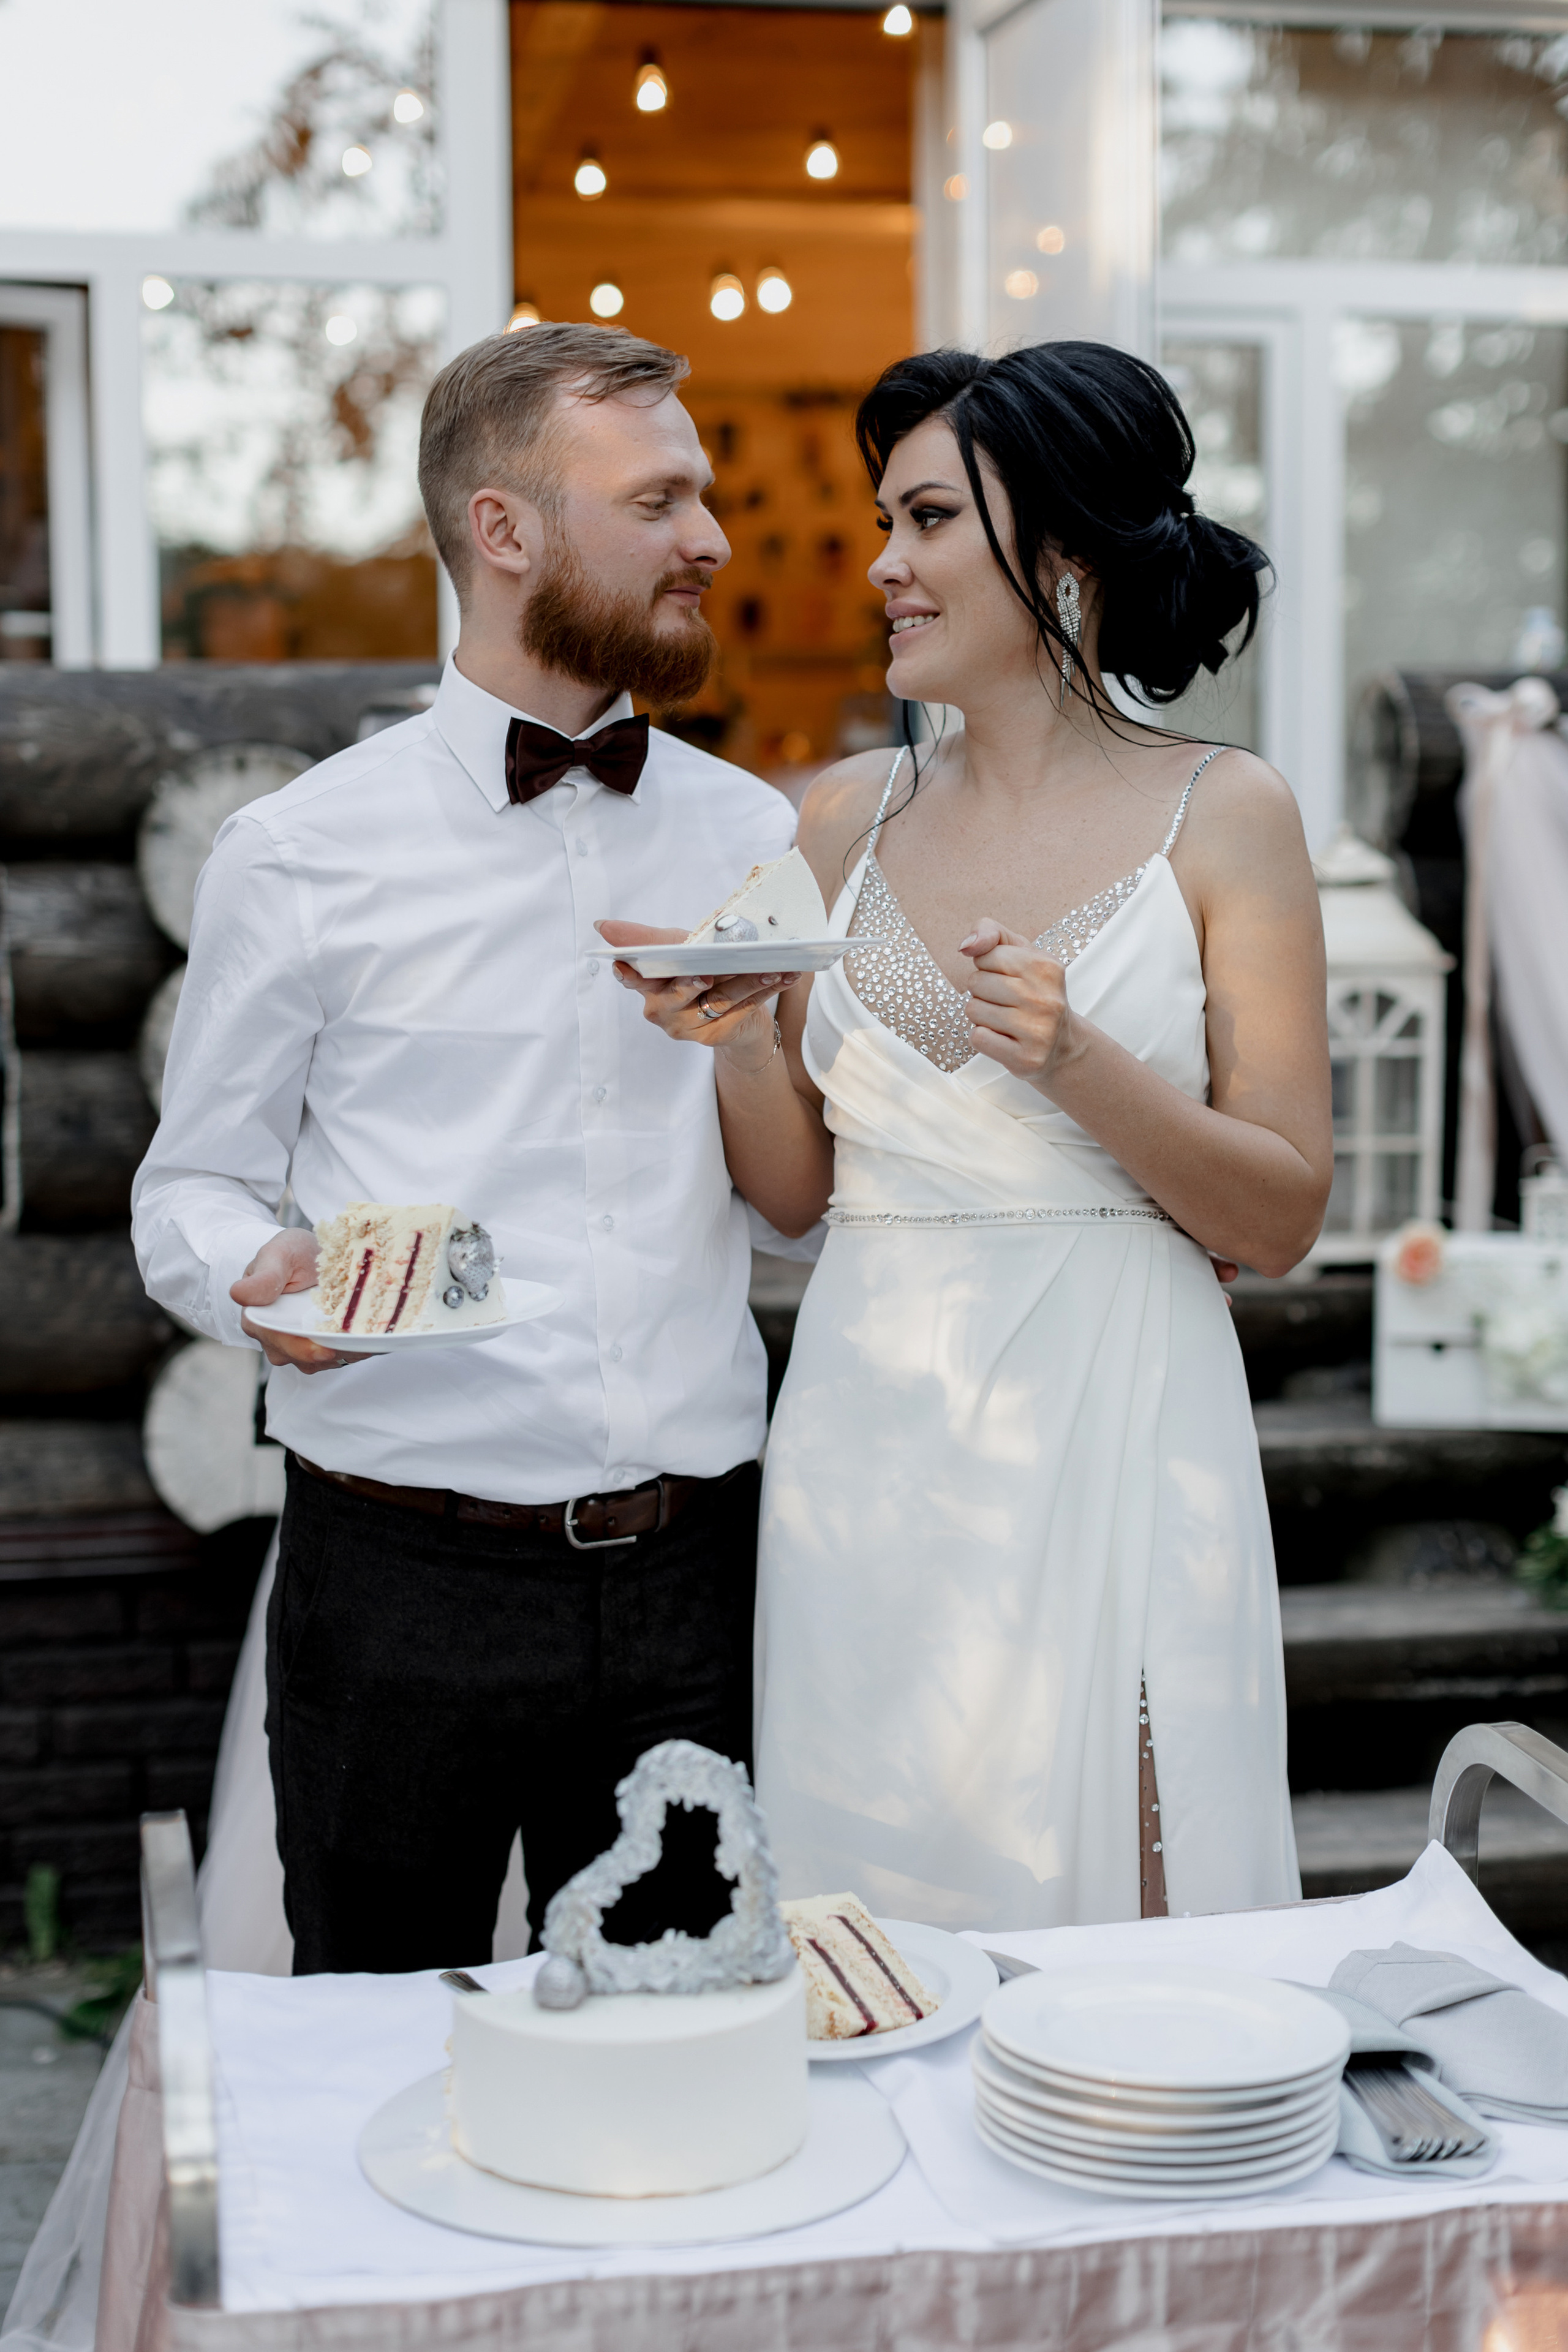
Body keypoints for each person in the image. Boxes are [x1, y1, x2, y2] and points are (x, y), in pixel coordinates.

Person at [616, 341, 1332, 1932]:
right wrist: (737, 1050)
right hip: (866, 1438)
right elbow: (797, 1199)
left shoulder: (1228, 814)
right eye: (885, 522)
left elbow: (1281, 1218)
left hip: (1121, 1421)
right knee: (870, 1919)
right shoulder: (831, 820)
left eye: (929, 519)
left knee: (1135, 1925)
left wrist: (1077, 1058)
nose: (885, 565)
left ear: (1062, 549)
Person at [130, 322, 798, 1975]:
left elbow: (794, 1203)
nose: (709, 540)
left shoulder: (749, 831)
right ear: (505, 533)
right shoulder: (298, 854)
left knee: (671, 2058)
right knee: (377, 2053)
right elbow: (186, 1191)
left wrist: (763, 1034)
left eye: (703, 499)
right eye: (659, 501)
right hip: (400, 1582)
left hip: (692, 1578)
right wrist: (254, 1279)